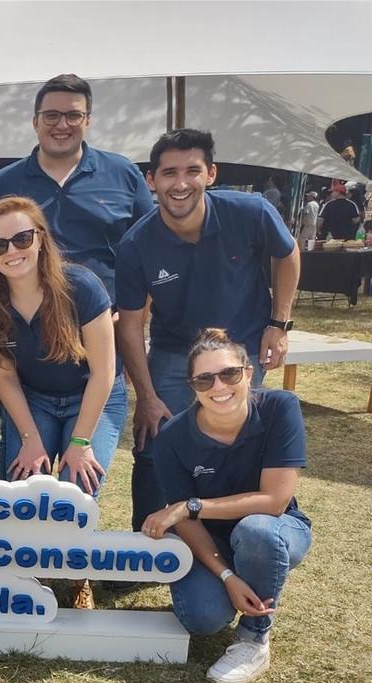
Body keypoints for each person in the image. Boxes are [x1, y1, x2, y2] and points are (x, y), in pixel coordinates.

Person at [116, 129, 300, 532]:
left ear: (211, 174)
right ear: (152, 180)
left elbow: (287, 255)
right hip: (172, 353)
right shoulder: (136, 244)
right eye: (168, 173)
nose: (180, 184)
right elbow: (130, 325)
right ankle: (144, 548)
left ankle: (238, 535)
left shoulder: (250, 211)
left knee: (238, 441)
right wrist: (146, 396)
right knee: (152, 445)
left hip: (241, 350)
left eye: (192, 171)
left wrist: (278, 323)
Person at [0, 197, 124, 609]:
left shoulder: (82, 286)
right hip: (33, 399)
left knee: (74, 487)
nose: (11, 252)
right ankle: (25, 572)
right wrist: (31, 439)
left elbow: (103, 374)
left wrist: (80, 443)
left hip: (93, 396)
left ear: (41, 240)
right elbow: (4, 375)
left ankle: (76, 574)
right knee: (20, 486)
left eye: (21, 238)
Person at [143, 328, 310, 683]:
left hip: (275, 527)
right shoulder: (172, 437)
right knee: (202, 620)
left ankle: (254, 638)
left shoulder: (281, 408)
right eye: (205, 379)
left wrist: (191, 506)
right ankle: (240, 579)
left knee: (256, 532)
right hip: (209, 542)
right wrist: (225, 576)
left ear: (248, 373)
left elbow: (274, 501)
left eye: (229, 374)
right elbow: (186, 524)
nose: (218, 387)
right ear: (193, 386)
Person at [0, 74, 154, 300]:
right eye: (51, 116)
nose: (62, 124)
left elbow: (151, 249)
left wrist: (130, 313)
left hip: (108, 321)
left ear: (88, 121)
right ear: (35, 122)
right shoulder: (0, 185)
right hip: (26, 324)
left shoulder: (124, 174)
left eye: (74, 115)